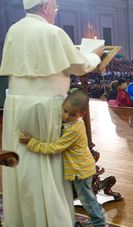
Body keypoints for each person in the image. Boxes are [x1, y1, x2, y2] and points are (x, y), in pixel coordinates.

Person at [0, 0, 104, 226]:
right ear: (46, 7)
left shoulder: (14, 30)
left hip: (15, 103)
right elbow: (80, 65)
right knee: (46, 162)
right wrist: (96, 55)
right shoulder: (53, 32)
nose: (55, 13)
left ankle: (23, 219)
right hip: (44, 105)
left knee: (22, 161)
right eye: (55, 9)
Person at [18, 90, 106, 226]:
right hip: (81, 168)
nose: (66, 116)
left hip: (80, 171)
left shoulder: (73, 129)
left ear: (82, 114)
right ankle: (97, 218)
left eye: (72, 114)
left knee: (87, 199)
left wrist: (32, 142)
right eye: (65, 111)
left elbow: (55, 148)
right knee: (87, 196)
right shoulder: (74, 123)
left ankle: (99, 222)